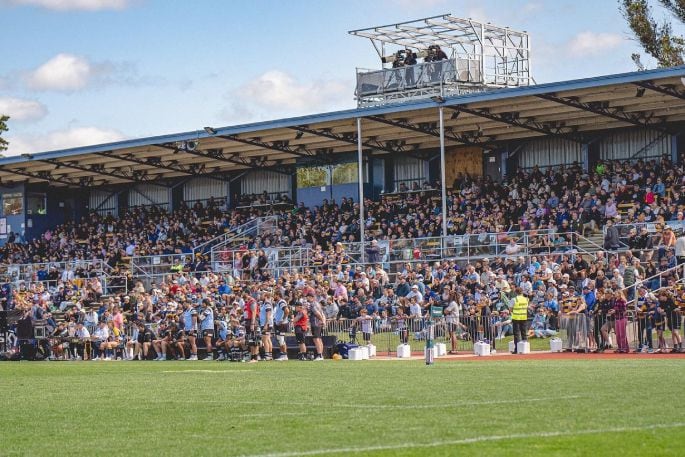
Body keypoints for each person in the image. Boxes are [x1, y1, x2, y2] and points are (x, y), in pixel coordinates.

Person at [307, 293, 326, 361]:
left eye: (308, 297)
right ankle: (321, 355)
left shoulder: (312, 304)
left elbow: (317, 313)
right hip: (319, 323)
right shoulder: (318, 303)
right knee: (319, 339)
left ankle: (319, 355)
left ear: (311, 297)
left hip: (315, 323)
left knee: (316, 339)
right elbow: (322, 313)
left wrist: (322, 320)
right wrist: (323, 320)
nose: (307, 298)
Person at [511, 287, 530, 353]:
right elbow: (526, 308)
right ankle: (525, 348)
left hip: (516, 318)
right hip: (524, 317)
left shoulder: (514, 299)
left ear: (516, 292)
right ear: (522, 292)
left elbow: (510, 309)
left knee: (516, 334)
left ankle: (517, 349)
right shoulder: (526, 299)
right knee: (524, 333)